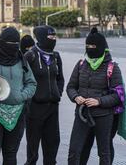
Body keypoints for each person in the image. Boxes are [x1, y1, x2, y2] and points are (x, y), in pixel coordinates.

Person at [0, 27, 37, 165]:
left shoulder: (22, 61)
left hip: (17, 115)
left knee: (10, 154)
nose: (13, 47)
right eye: (10, 44)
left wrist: (21, 96)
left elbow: (32, 83)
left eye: (16, 44)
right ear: (1, 42)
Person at [66, 27, 124, 165]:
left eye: (93, 46)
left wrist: (99, 101)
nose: (90, 49)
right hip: (82, 115)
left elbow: (118, 95)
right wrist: (75, 97)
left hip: (104, 116)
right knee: (75, 150)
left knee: (104, 152)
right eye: (88, 46)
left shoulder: (112, 67)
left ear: (102, 48)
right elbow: (70, 87)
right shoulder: (80, 65)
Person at [24, 26, 64, 165]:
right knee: (33, 150)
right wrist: (29, 97)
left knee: (52, 146)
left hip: (53, 107)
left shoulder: (56, 56)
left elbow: (60, 78)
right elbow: (22, 79)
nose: (53, 40)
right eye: (50, 37)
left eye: (54, 37)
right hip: (35, 108)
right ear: (41, 37)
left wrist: (58, 92)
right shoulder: (31, 55)